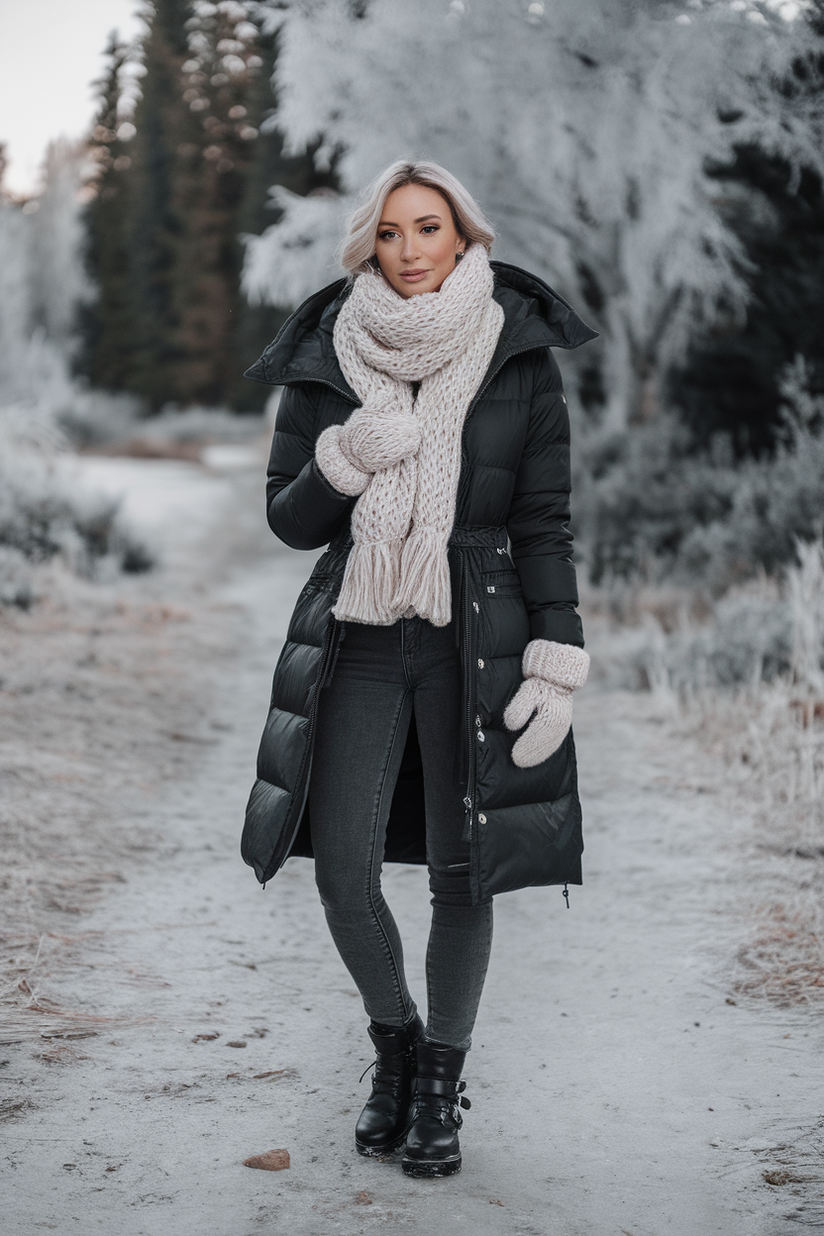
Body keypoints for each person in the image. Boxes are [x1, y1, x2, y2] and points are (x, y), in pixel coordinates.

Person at [241, 159, 597, 1178]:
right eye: (389, 233)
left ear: (462, 237)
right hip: (356, 633)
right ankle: (393, 1048)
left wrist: (554, 657)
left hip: (470, 633)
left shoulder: (517, 355)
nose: (407, 251)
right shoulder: (326, 352)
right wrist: (346, 455)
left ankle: (438, 1085)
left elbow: (542, 521)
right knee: (344, 874)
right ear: (368, 243)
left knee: (458, 870)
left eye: (426, 228)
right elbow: (287, 518)